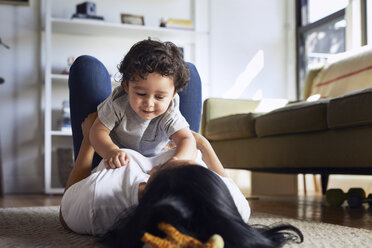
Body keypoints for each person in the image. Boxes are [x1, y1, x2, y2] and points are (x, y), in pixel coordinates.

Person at [59, 113, 303, 247]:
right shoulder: (230, 208)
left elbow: (66, 208)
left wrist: (89, 138)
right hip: (175, 136)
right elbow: (222, 178)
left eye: (165, 167)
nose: (166, 161)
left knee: (86, 66)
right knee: (185, 72)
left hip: (109, 142)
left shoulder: (100, 200)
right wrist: (203, 146)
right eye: (191, 165)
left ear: (146, 186)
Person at [89, 39, 197, 169]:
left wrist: (176, 161)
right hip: (121, 156)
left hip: (154, 157)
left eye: (159, 97)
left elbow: (187, 139)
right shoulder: (118, 103)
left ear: (173, 95)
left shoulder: (170, 110)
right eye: (141, 94)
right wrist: (111, 151)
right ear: (126, 87)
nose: (149, 103)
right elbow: (98, 131)